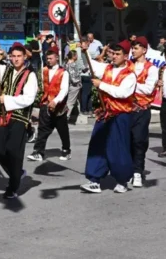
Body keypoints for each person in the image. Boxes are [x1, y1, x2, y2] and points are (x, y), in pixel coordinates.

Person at [79, 41, 136, 194]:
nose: (115, 57)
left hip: (120, 115)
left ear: (125, 56)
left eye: (118, 54)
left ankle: (122, 179)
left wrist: (101, 85)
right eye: (113, 53)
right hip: (104, 113)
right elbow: (91, 65)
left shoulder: (130, 75)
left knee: (118, 147)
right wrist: (84, 52)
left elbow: (122, 93)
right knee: (97, 144)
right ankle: (94, 179)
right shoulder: (107, 68)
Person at [0, 41, 39, 199]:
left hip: (20, 117)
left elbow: (29, 99)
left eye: (19, 56)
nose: (16, 59)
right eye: (13, 56)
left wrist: (8, 100)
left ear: (25, 57)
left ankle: (13, 186)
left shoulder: (30, 74)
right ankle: (17, 172)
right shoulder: (6, 70)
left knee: (13, 151)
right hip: (4, 116)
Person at [28, 47, 71, 162]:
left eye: (51, 58)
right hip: (45, 103)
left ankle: (66, 150)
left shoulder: (64, 72)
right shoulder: (44, 70)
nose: (49, 60)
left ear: (57, 58)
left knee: (62, 130)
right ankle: (38, 152)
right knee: (42, 129)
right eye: (47, 58)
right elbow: (40, 85)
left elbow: (64, 90)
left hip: (59, 106)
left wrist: (56, 101)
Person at [128, 37, 159, 188]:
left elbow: (148, 89)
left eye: (136, 48)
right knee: (127, 141)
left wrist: (130, 85)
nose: (133, 50)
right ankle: (129, 170)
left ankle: (137, 172)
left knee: (139, 141)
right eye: (132, 48)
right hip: (126, 109)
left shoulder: (151, 68)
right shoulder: (128, 65)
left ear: (144, 50)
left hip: (142, 110)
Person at [64, 50, 85, 124]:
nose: (77, 56)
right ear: (74, 56)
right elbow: (73, 77)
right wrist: (78, 83)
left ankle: (76, 113)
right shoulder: (72, 64)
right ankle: (65, 117)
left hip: (70, 85)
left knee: (73, 101)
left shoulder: (66, 64)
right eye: (76, 55)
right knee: (70, 102)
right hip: (74, 86)